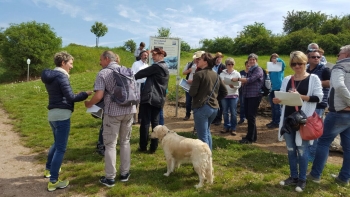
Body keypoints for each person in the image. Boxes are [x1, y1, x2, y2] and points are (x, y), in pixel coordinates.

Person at [273, 51, 323, 192]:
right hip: (289, 120)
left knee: (302, 150)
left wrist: (300, 96)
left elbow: (318, 97)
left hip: (303, 120)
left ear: (305, 63)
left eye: (299, 63)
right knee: (290, 150)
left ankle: (302, 179)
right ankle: (293, 176)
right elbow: (283, 96)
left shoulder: (314, 79)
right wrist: (278, 100)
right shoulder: (287, 79)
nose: (297, 66)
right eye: (294, 64)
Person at [41, 51, 91, 191]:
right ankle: (53, 181)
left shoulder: (51, 76)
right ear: (63, 63)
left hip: (52, 115)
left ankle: (48, 170)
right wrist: (85, 94)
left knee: (56, 144)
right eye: (70, 63)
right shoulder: (61, 77)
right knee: (61, 148)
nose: (72, 66)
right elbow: (70, 97)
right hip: (62, 115)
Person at [85, 51, 136, 187]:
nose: (100, 63)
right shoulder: (128, 70)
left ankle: (110, 178)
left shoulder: (103, 73)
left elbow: (99, 96)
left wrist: (88, 104)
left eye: (101, 60)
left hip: (113, 112)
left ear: (107, 59)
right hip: (130, 110)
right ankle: (125, 173)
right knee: (125, 142)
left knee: (110, 145)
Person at [308, 45, 350, 186]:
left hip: (339, 112)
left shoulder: (340, 67)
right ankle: (344, 178)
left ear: (346, 55)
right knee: (348, 147)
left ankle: (315, 174)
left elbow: (338, 85)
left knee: (323, 142)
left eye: (339, 54)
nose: (337, 57)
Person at [189, 52, 227, 150]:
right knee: (207, 132)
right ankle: (208, 158)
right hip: (214, 108)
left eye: (200, 59)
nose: (198, 61)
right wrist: (214, 99)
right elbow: (224, 92)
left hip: (202, 108)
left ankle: (204, 161)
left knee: (202, 137)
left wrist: (189, 88)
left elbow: (192, 93)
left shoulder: (199, 74)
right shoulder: (216, 75)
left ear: (205, 62)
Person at [134, 48, 169, 153]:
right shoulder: (165, 67)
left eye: (154, 55)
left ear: (161, 56)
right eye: (152, 54)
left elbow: (140, 74)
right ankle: (153, 147)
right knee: (156, 123)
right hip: (159, 99)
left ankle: (143, 146)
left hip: (150, 98)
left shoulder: (156, 67)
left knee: (145, 123)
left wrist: (131, 76)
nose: (152, 57)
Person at [231, 53, 264, 144]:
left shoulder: (258, 69)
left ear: (256, 61)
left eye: (253, 59)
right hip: (247, 95)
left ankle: (250, 138)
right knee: (249, 116)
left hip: (254, 96)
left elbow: (251, 80)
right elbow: (247, 81)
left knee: (251, 116)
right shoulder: (250, 70)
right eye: (250, 60)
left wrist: (238, 79)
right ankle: (252, 136)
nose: (252, 61)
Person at [306, 49, 331, 162]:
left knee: (315, 130)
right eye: (313, 57)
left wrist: (313, 81)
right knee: (307, 128)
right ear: (308, 58)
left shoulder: (324, 69)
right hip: (306, 102)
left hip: (319, 103)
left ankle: (312, 155)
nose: (316, 58)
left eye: (318, 57)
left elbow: (329, 83)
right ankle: (307, 152)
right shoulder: (306, 69)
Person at [219, 57, 241, 135]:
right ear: (226, 65)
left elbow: (239, 85)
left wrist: (234, 86)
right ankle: (226, 126)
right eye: (228, 64)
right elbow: (219, 84)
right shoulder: (222, 74)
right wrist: (223, 82)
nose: (230, 65)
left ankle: (233, 127)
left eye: (232, 64)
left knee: (233, 112)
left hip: (234, 95)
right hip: (224, 95)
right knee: (225, 112)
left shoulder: (237, 74)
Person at [182, 51, 205, 121]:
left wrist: (193, 81)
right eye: (195, 58)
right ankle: (187, 114)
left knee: (196, 101)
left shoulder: (202, 66)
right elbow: (183, 73)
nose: (196, 59)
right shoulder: (189, 64)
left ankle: (196, 115)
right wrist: (189, 71)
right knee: (188, 101)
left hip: (197, 86)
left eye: (197, 58)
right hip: (188, 86)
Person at [266, 53, 286, 128]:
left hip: (279, 88)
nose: (274, 59)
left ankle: (277, 122)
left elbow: (284, 64)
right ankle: (274, 121)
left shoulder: (280, 67)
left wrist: (278, 60)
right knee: (273, 106)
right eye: (272, 58)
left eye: (276, 58)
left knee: (277, 107)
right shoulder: (271, 68)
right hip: (271, 89)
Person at [131, 50, 149, 124]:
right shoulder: (136, 64)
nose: (146, 56)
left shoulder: (147, 65)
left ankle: (140, 118)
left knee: (143, 102)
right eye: (145, 55)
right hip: (137, 84)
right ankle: (133, 119)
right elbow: (132, 74)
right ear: (141, 56)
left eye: (147, 55)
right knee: (135, 102)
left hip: (144, 84)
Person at [211, 52, 226, 126]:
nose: (219, 59)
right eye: (217, 57)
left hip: (220, 88)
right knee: (213, 103)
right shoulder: (212, 66)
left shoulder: (224, 67)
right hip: (212, 88)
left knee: (220, 104)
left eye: (220, 57)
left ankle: (219, 119)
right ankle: (214, 118)